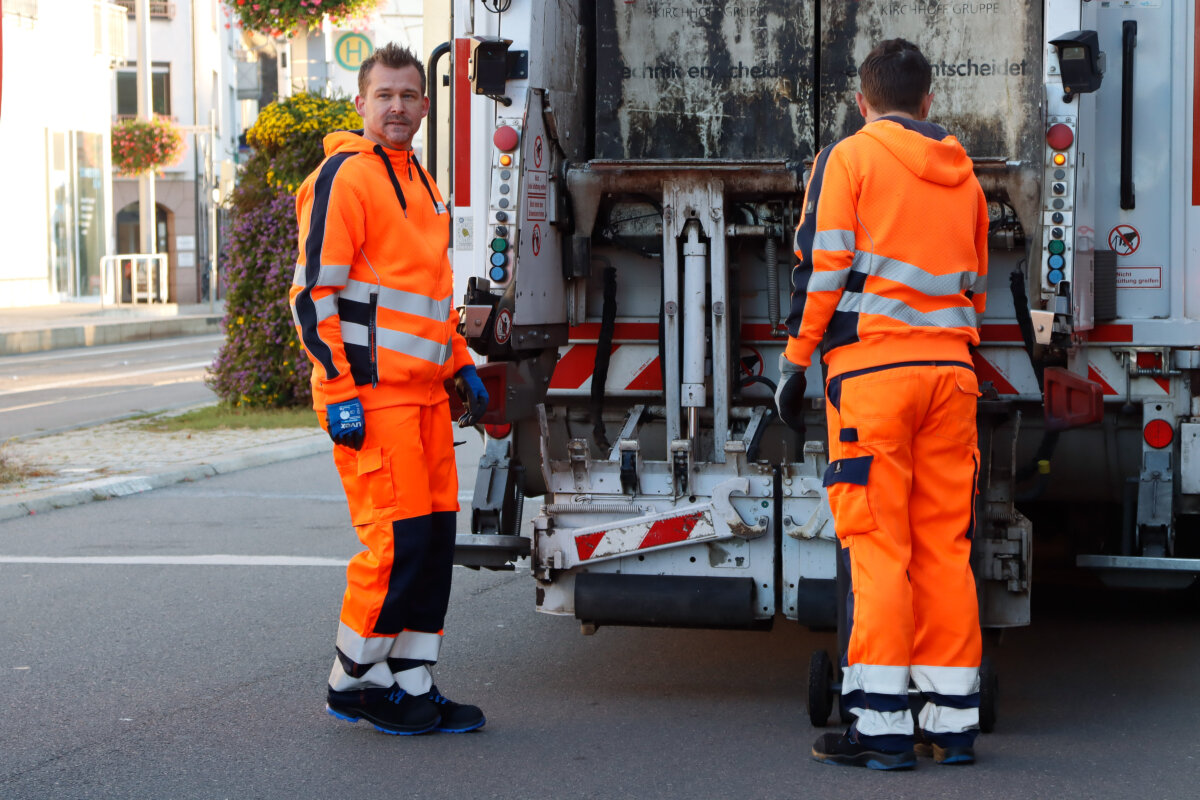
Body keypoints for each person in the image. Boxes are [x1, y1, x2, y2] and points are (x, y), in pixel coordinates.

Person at [776, 38, 989, 769]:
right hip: (952, 379)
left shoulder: (849, 158)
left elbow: (823, 267)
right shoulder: (967, 179)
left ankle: (881, 728)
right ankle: (953, 723)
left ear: (861, 104)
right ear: (929, 101)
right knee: (943, 550)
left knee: (878, 551)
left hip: (872, 379)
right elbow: (974, 287)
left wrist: (797, 362)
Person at [289, 42, 489, 736]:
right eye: (385, 96)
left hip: (428, 399)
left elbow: (429, 299)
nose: (398, 107)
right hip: (372, 398)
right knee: (396, 544)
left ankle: (410, 679)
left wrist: (460, 361)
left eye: (409, 96)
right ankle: (354, 682)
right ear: (362, 104)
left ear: (425, 106)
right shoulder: (345, 176)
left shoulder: (425, 182)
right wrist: (338, 388)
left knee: (433, 542)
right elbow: (313, 295)